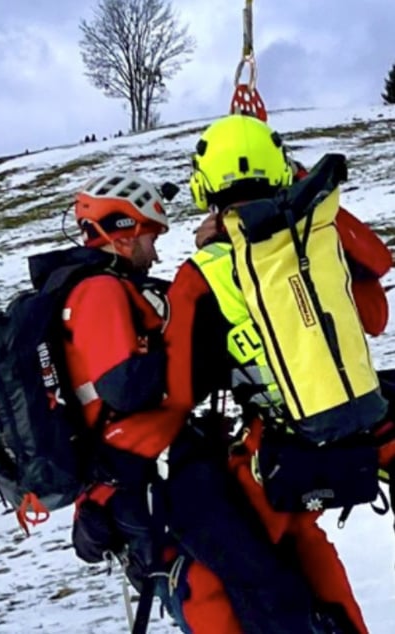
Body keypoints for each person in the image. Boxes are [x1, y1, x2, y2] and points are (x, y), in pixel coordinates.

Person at [64, 173, 328, 633]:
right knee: (263, 582)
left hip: (149, 471)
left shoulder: (117, 290)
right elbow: (127, 387)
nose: (155, 248)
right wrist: (186, 352)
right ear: (122, 234)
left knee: (247, 582)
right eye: (149, 235)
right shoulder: (99, 291)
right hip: (148, 472)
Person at [163, 112, 375, 633]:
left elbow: (180, 387)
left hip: (273, 453)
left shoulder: (202, 273)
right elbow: (375, 315)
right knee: (304, 538)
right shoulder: (318, 244)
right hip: (351, 427)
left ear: (204, 186)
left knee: (210, 562)